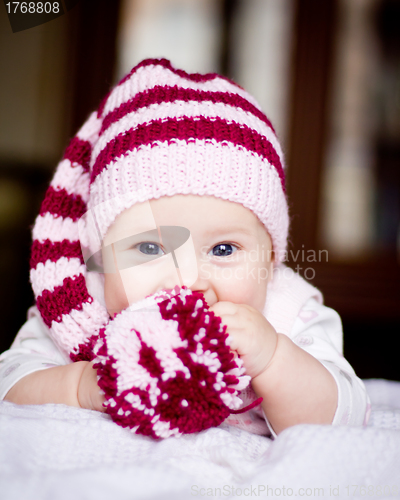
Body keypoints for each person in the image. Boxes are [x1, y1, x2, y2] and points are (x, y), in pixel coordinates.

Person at [0, 58, 369, 437]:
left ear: (270, 260)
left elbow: (345, 419)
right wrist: (80, 386)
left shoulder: (288, 314)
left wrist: (273, 359)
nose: (187, 279)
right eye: (148, 248)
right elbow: (8, 386)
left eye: (224, 250)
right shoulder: (78, 308)